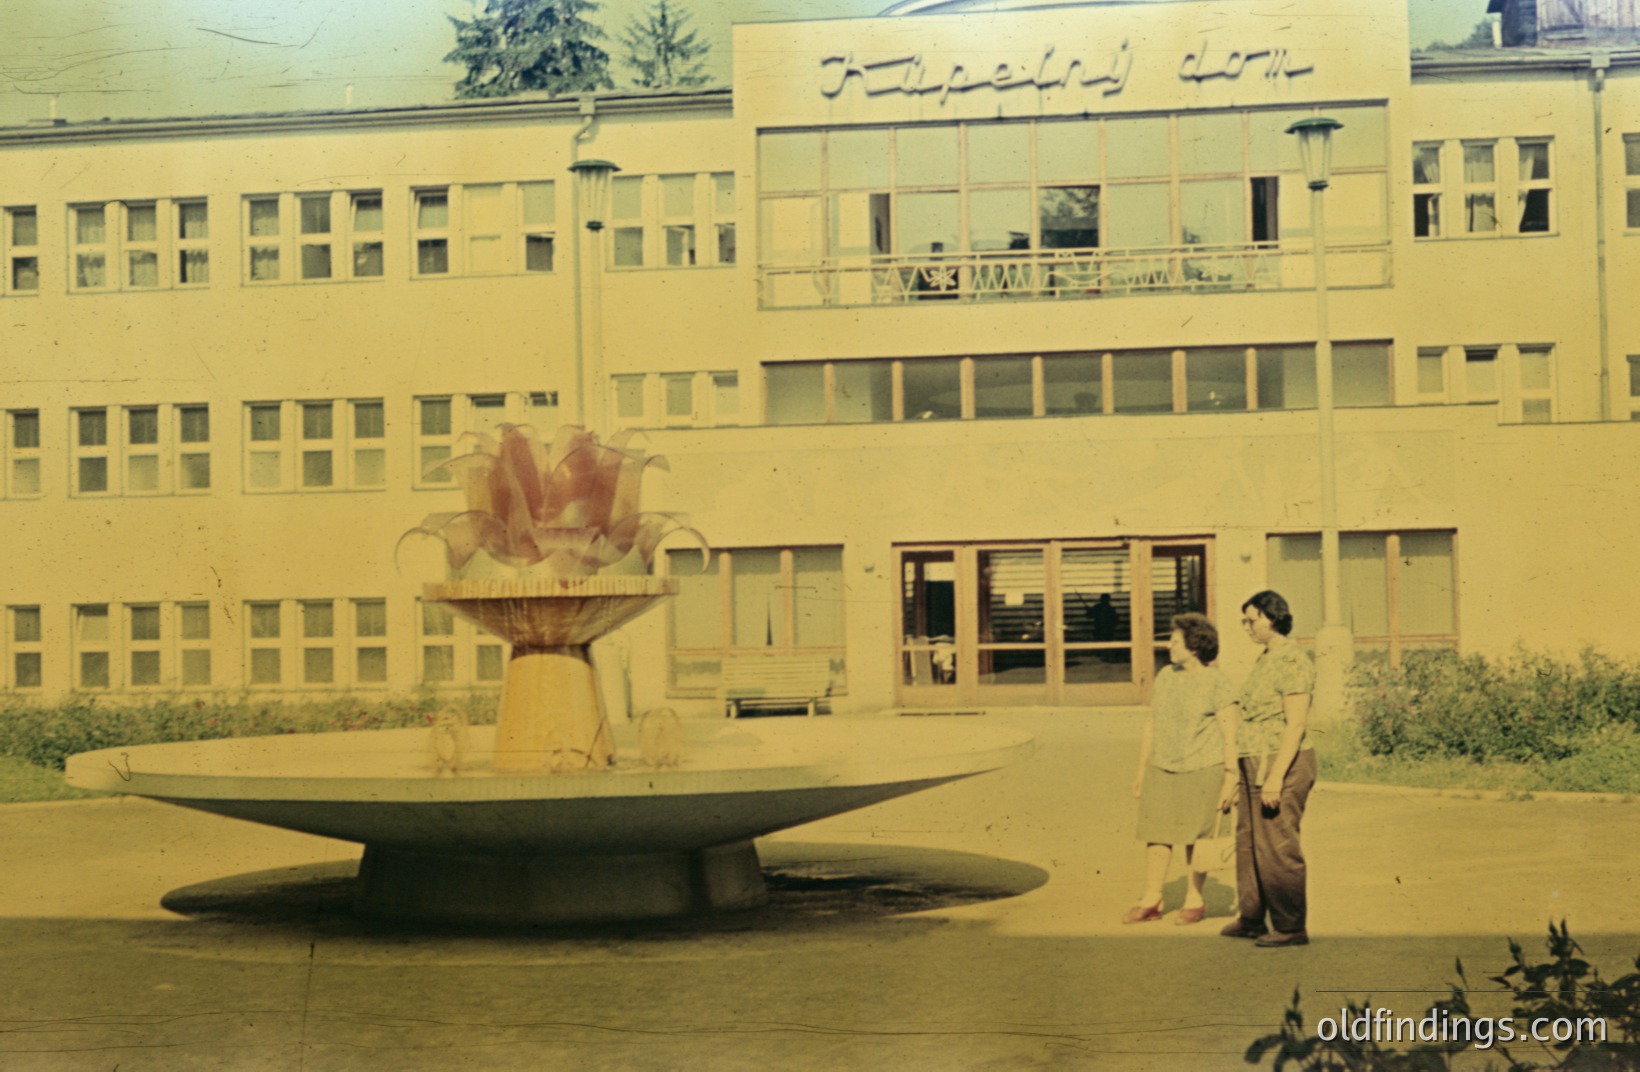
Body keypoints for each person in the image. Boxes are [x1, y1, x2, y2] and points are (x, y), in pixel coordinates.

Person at [1125, 613, 1240, 925]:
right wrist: (1141, 770)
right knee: (1156, 833)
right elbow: (1152, 723)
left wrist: (1232, 776)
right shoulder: (1165, 676)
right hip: (1162, 767)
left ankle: (1194, 899)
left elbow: (1231, 733)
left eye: (1175, 641)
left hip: (1204, 768)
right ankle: (1151, 898)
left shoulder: (1218, 681)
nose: (1169, 646)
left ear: (1194, 645)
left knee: (1197, 837)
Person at [1221, 590, 1317, 948]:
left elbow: (1295, 724)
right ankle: (1251, 918)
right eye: (1244, 620)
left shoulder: (1293, 660)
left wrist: (1276, 775)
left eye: (1251, 619)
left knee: (1277, 845)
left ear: (1272, 618)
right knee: (1248, 841)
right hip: (1253, 759)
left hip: (1281, 762)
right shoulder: (1267, 658)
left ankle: (1291, 926)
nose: (1246, 627)